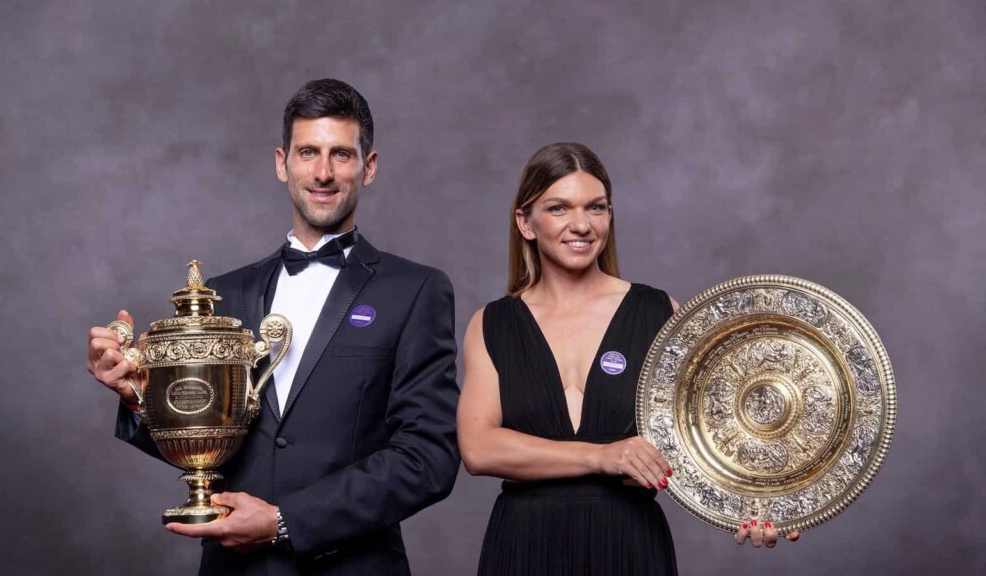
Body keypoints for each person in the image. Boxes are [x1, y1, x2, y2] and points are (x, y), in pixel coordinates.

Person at [87, 79, 460, 576]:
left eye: (341, 155)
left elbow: (427, 457)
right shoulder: (225, 295)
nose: (323, 172)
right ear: (282, 162)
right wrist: (139, 397)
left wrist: (285, 521)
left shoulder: (415, 291)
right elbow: (203, 438)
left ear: (368, 168)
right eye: (308, 152)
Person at [457, 142, 798, 576]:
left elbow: (718, 435)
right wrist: (603, 456)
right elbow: (479, 448)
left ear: (609, 216)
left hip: (629, 543)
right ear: (526, 222)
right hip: (523, 545)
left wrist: (760, 501)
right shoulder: (492, 323)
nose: (581, 224)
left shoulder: (660, 313)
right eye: (559, 208)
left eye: (595, 207)